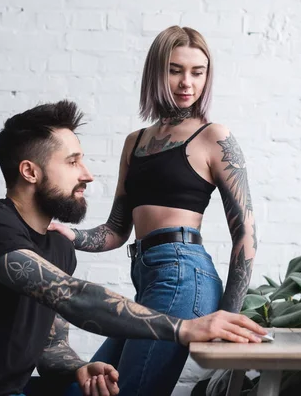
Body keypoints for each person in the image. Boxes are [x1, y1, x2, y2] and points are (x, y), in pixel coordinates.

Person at [0, 100, 266, 396]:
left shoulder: (58, 247)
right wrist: (184, 328)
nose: (87, 173)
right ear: (30, 172)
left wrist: (77, 367)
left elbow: (49, 345)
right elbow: (71, 296)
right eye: (72, 162)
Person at [48, 26, 257, 395]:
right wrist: (72, 235)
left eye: (198, 71)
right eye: (175, 70)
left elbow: (245, 233)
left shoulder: (213, 137)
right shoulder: (136, 142)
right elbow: (116, 229)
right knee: (92, 385)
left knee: (128, 390)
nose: (186, 82)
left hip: (184, 274)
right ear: (156, 72)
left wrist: (230, 314)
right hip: (147, 278)